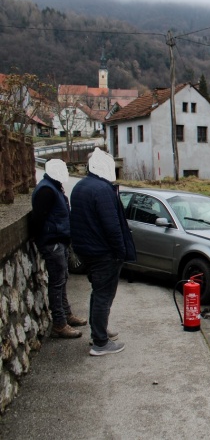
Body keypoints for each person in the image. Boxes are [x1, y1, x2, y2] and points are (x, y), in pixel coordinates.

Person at [70, 148, 135, 356]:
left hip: (86, 250)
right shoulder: (102, 189)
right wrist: (120, 252)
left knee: (98, 293)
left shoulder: (80, 186)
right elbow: (112, 226)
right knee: (104, 295)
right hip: (103, 252)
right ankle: (100, 342)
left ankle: (99, 331)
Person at [31, 159, 87, 339]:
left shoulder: (53, 187)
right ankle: (60, 323)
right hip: (52, 241)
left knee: (62, 279)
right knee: (57, 282)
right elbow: (39, 218)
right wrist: (45, 238)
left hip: (58, 240)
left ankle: (66, 315)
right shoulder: (47, 190)